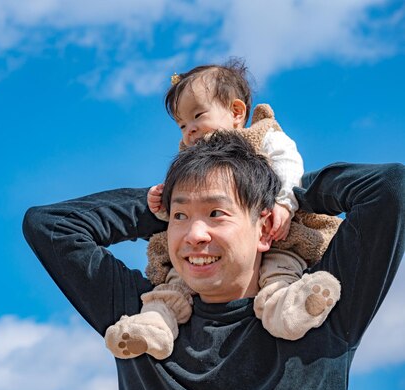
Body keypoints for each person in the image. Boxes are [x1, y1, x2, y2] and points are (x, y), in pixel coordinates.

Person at [23, 131, 405, 390]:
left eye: (216, 213)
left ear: (265, 226)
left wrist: (290, 195)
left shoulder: (318, 307)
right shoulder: (143, 321)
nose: (194, 235)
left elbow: (391, 188)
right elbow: (50, 225)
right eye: (179, 216)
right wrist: (155, 202)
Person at [105, 59, 341, 361]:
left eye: (198, 116)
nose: (189, 130)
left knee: (281, 271)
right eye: (182, 125)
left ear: (236, 112)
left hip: (279, 231)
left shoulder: (262, 136)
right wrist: (160, 202)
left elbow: (288, 164)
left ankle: (289, 310)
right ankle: (154, 324)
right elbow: (188, 208)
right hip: (212, 256)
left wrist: (284, 201)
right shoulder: (190, 161)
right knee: (175, 281)